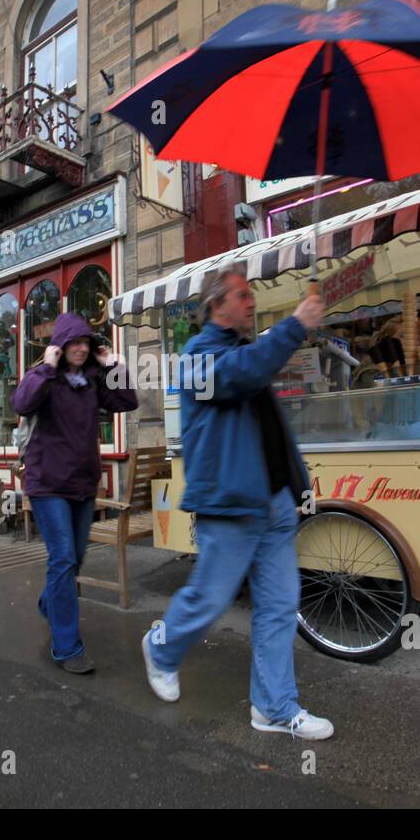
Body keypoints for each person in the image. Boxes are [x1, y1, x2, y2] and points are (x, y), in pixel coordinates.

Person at [140, 267, 335, 740]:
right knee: (210, 599)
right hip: (230, 504)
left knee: (279, 606)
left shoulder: (242, 352)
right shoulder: (197, 357)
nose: (251, 303)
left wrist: (297, 485)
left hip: (272, 505)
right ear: (216, 305)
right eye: (243, 296)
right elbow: (238, 377)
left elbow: (267, 424)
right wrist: (295, 325)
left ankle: (273, 706)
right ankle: (162, 647)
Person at [11, 312, 138, 673]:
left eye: (86, 342)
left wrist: (113, 366)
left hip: (82, 483)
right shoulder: (45, 377)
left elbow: (127, 402)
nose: (81, 348)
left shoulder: (93, 378)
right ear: (61, 346)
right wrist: (47, 368)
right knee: (63, 558)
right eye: (74, 343)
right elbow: (21, 403)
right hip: (48, 482)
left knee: (75, 559)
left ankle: (50, 603)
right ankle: (66, 647)